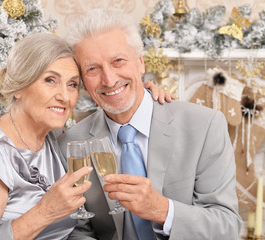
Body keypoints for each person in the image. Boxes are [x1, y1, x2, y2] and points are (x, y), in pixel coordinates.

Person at [0, 33, 171, 239]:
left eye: (72, 84)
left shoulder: (54, 139)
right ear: (18, 86)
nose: (64, 96)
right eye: (50, 80)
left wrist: (143, 94)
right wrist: (44, 213)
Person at [58, 8, 242, 240]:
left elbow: (226, 227)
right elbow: (76, 230)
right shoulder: (72, 143)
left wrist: (163, 210)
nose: (109, 79)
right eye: (92, 69)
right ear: (83, 80)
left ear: (141, 62)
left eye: (118, 61)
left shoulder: (204, 126)